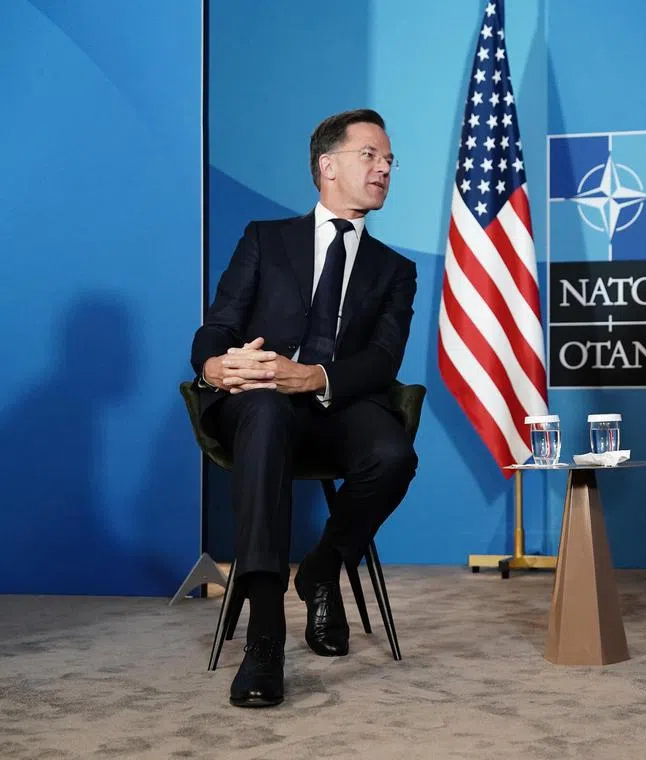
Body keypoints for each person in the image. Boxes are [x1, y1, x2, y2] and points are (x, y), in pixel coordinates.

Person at [190, 108, 418, 708]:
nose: (385, 168)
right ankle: (265, 636)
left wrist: (312, 377)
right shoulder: (266, 239)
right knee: (264, 409)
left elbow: (383, 361)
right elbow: (215, 329)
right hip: (258, 407)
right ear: (327, 166)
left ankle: (322, 567)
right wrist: (216, 368)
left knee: (394, 454)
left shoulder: (396, 270)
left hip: (334, 404)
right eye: (370, 154)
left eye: (390, 160)